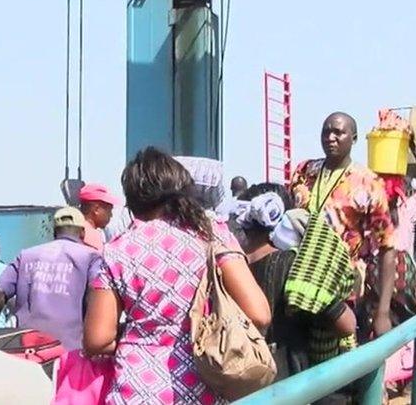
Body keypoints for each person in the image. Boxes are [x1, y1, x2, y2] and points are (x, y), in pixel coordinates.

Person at [83, 147, 270, 404]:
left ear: (134, 201)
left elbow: (97, 340)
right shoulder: (213, 235)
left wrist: (144, 338)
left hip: (136, 393)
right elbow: (259, 314)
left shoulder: (117, 250)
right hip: (203, 390)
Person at [289, 112, 396, 341]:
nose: (331, 137)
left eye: (338, 132)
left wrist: (383, 312)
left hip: (343, 289)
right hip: (299, 283)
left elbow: (387, 247)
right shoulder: (305, 172)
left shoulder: (368, 183)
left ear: (354, 138)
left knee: (341, 357)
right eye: (326, 131)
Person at [238, 184, 356, 379]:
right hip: (291, 383)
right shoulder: (298, 267)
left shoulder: (229, 265)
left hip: (242, 383)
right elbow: (347, 325)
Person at [0, 207, 103, 351]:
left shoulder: (26, 255)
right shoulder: (90, 257)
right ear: (82, 232)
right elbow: (96, 293)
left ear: (54, 231)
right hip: (70, 350)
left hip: (27, 349)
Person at [78, 183, 120, 251]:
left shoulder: (74, 231)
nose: (111, 215)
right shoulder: (91, 235)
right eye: (109, 210)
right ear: (96, 210)